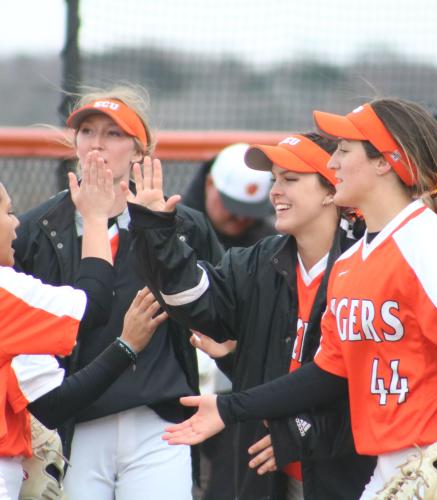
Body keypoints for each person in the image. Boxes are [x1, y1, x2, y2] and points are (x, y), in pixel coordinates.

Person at [163, 98, 437, 498]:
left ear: (384, 162)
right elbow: (326, 374)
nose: (334, 163)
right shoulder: (350, 263)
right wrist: (227, 408)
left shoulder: (427, 241)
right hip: (392, 460)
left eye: (343, 150)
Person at [126, 132, 376, 499]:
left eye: (290, 179)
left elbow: (372, 392)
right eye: (274, 179)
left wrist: (301, 433)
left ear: (330, 190)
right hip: (269, 474)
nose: (274, 191)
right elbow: (190, 301)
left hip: (347, 477)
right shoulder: (256, 261)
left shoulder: (369, 265)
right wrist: (155, 231)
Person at [13, 85, 223, 500]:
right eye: (88, 131)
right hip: (75, 423)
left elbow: (219, 311)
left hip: (157, 420)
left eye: (113, 134)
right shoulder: (38, 229)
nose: (97, 144)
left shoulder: (183, 224)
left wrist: (158, 233)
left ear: (140, 150)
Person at [0, 158, 165, 498]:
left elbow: (51, 404)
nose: (16, 224)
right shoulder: (6, 293)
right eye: (8, 211)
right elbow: (93, 304)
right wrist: (94, 218)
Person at [184, 142, 276, 500]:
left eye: (247, 210)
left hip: (236, 385)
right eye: (230, 205)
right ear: (209, 185)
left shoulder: (269, 242)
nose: (239, 217)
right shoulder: (174, 231)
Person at [182, 142, 276, 249]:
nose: (241, 218)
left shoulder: (270, 244)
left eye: (251, 210)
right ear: (209, 184)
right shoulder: (177, 235)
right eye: (233, 206)